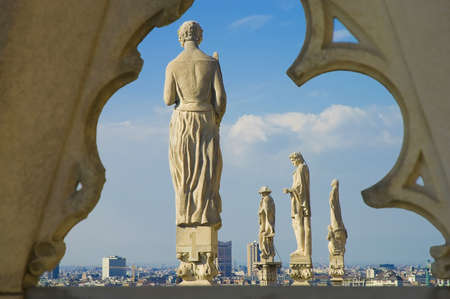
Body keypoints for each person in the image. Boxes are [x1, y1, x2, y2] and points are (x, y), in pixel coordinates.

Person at [164, 21, 226, 229]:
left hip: (183, 122)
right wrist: (217, 119)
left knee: (184, 171)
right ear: (199, 36)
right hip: (206, 118)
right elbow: (221, 99)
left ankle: (184, 214)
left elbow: (167, 98)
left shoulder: (172, 65)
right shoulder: (211, 63)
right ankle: (206, 214)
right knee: (207, 171)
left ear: (180, 37)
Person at [283, 152, 311, 256]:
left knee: (298, 223)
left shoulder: (300, 168)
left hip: (298, 199)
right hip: (296, 198)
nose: (292, 163)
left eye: (293, 160)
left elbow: (300, 186)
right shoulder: (303, 168)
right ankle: (300, 246)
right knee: (295, 223)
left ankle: (301, 247)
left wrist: (289, 190)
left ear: (298, 159)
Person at [258, 186, 276, 259]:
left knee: (263, 236)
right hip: (266, 221)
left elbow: (267, 210)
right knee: (263, 237)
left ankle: (267, 252)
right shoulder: (268, 199)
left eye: (262, 193)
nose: (261, 194)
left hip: (267, 222)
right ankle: (267, 252)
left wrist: (260, 211)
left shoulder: (267, 199)